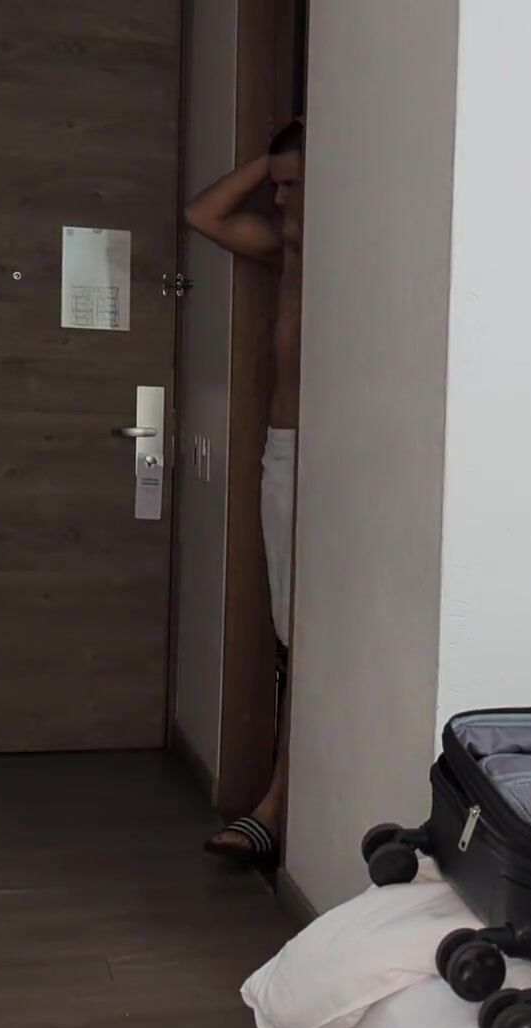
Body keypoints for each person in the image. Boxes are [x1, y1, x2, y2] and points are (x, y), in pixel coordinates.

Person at [186, 118, 305, 866]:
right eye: (277, 187)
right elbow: (203, 214)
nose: (281, 200)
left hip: (357, 458)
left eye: (295, 187)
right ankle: (282, 803)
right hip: (289, 449)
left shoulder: (362, 247)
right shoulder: (287, 248)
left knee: (324, 637)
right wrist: (275, 160)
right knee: (293, 633)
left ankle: (280, 804)